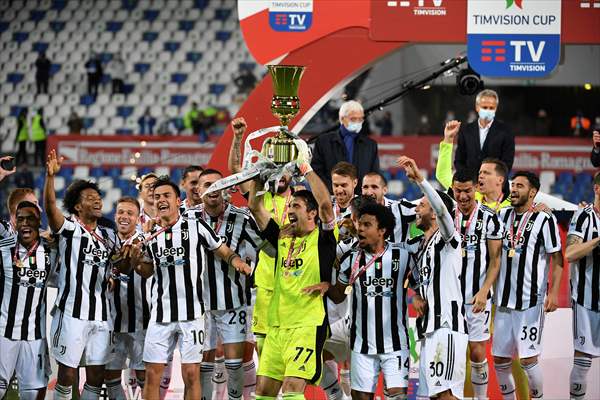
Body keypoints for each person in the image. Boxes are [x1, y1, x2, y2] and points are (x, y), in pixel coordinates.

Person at [127, 178, 250, 400]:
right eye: (157, 197)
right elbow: (146, 270)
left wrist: (237, 262)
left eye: (166, 196)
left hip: (192, 315)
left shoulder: (195, 226)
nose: (161, 200)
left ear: (177, 200)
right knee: (153, 374)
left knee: (192, 374)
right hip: (160, 315)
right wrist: (136, 262)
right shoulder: (148, 235)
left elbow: (221, 249)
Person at [246, 140, 336, 400]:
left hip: (306, 324)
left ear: (312, 214)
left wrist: (305, 167)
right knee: (263, 391)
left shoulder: (322, 238)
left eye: (295, 206)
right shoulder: (282, 236)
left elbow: (326, 206)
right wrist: (260, 174)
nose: (290, 211)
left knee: (293, 388)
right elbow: (255, 206)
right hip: (277, 325)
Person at [44, 149, 118, 400]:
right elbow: (50, 208)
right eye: (90, 198)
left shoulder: (110, 235)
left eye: (98, 197)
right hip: (71, 314)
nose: (97, 201)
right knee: (67, 374)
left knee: (96, 375)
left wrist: (127, 261)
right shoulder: (69, 229)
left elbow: (119, 267)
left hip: (101, 315)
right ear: (77, 206)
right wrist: (50, 177)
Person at [397, 156, 468, 400]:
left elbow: (442, 208)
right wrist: (416, 295)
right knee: (434, 396)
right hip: (428, 330)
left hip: (447, 327)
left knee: (446, 395)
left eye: (422, 204)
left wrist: (420, 180)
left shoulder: (448, 239)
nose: (417, 207)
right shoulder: (423, 245)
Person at [327, 204, 411, 400]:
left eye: (367, 225)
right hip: (362, 346)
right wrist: (326, 286)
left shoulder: (403, 255)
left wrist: (418, 296)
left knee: (397, 397)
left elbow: (418, 282)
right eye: (359, 224)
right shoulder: (350, 259)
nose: (360, 229)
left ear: (382, 231)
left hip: (395, 345)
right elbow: (339, 295)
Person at [493, 171, 563, 400]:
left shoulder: (545, 219)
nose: (513, 189)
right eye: (513, 185)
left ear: (532, 192)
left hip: (530, 302)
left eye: (520, 186)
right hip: (502, 301)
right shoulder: (501, 215)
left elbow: (557, 257)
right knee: (500, 360)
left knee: (528, 360)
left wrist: (553, 293)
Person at [227, 117, 293, 358]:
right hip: (265, 284)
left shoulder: (302, 201)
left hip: (294, 285)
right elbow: (236, 170)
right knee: (265, 350)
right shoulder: (260, 197)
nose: (279, 175)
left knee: (292, 349)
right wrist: (237, 138)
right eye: (274, 168)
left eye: (284, 169)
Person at [196, 169, 264, 400]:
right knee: (203, 364)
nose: (212, 189)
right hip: (199, 306)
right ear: (198, 190)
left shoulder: (242, 217)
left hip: (233, 302)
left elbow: (266, 248)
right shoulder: (187, 218)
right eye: (207, 185)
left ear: (225, 188)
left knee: (234, 364)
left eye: (217, 184)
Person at [451, 170, 503, 399]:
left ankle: (481, 398)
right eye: (458, 191)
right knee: (452, 352)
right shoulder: (444, 215)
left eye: (467, 190)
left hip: (476, 296)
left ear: (476, 189)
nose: (462, 196)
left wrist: (484, 291)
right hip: (449, 297)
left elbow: (496, 260)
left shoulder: (490, 218)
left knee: (477, 351)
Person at [0, 201, 56, 400]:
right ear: (14, 222)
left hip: (35, 335)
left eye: (30, 218)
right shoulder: (3, 249)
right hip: (3, 332)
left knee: (33, 393)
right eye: (20, 218)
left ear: (38, 221)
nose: (25, 223)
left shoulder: (51, 252)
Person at [104, 197, 151, 400]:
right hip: (111, 322)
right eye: (120, 212)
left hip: (141, 321)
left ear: (138, 217)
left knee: (143, 375)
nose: (124, 217)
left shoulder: (147, 242)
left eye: (130, 213)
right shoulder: (105, 241)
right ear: (115, 215)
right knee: (111, 375)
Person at [565, 172, 600, 400]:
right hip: (587, 299)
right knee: (583, 361)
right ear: (597, 189)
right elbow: (570, 253)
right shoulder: (584, 216)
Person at [437, 120, 511, 211]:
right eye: (480, 172)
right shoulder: (470, 195)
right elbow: (443, 175)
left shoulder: (514, 205)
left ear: (500, 179)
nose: (481, 176)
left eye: (486, 173)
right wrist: (448, 139)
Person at [311, 100, 380, 194]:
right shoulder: (323, 142)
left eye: (360, 119)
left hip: (361, 199)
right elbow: (317, 172)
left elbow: (374, 174)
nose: (358, 122)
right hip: (331, 197)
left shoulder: (370, 145)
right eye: (353, 119)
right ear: (342, 119)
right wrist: (334, 191)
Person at [454, 89, 515, 175]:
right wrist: (467, 180)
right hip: (470, 184)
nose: (488, 110)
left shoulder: (506, 131)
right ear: (477, 107)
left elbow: (507, 163)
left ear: (496, 108)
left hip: (495, 184)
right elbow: (459, 160)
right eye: (485, 107)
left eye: (491, 108)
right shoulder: (466, 130)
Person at [361, 171, 417, 243]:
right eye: (365, 187)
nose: (369, 192)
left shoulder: (400, 209)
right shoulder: (355, 212)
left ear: (384, 190)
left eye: (374, 187)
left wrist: (420, 180)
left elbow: (431, 208)